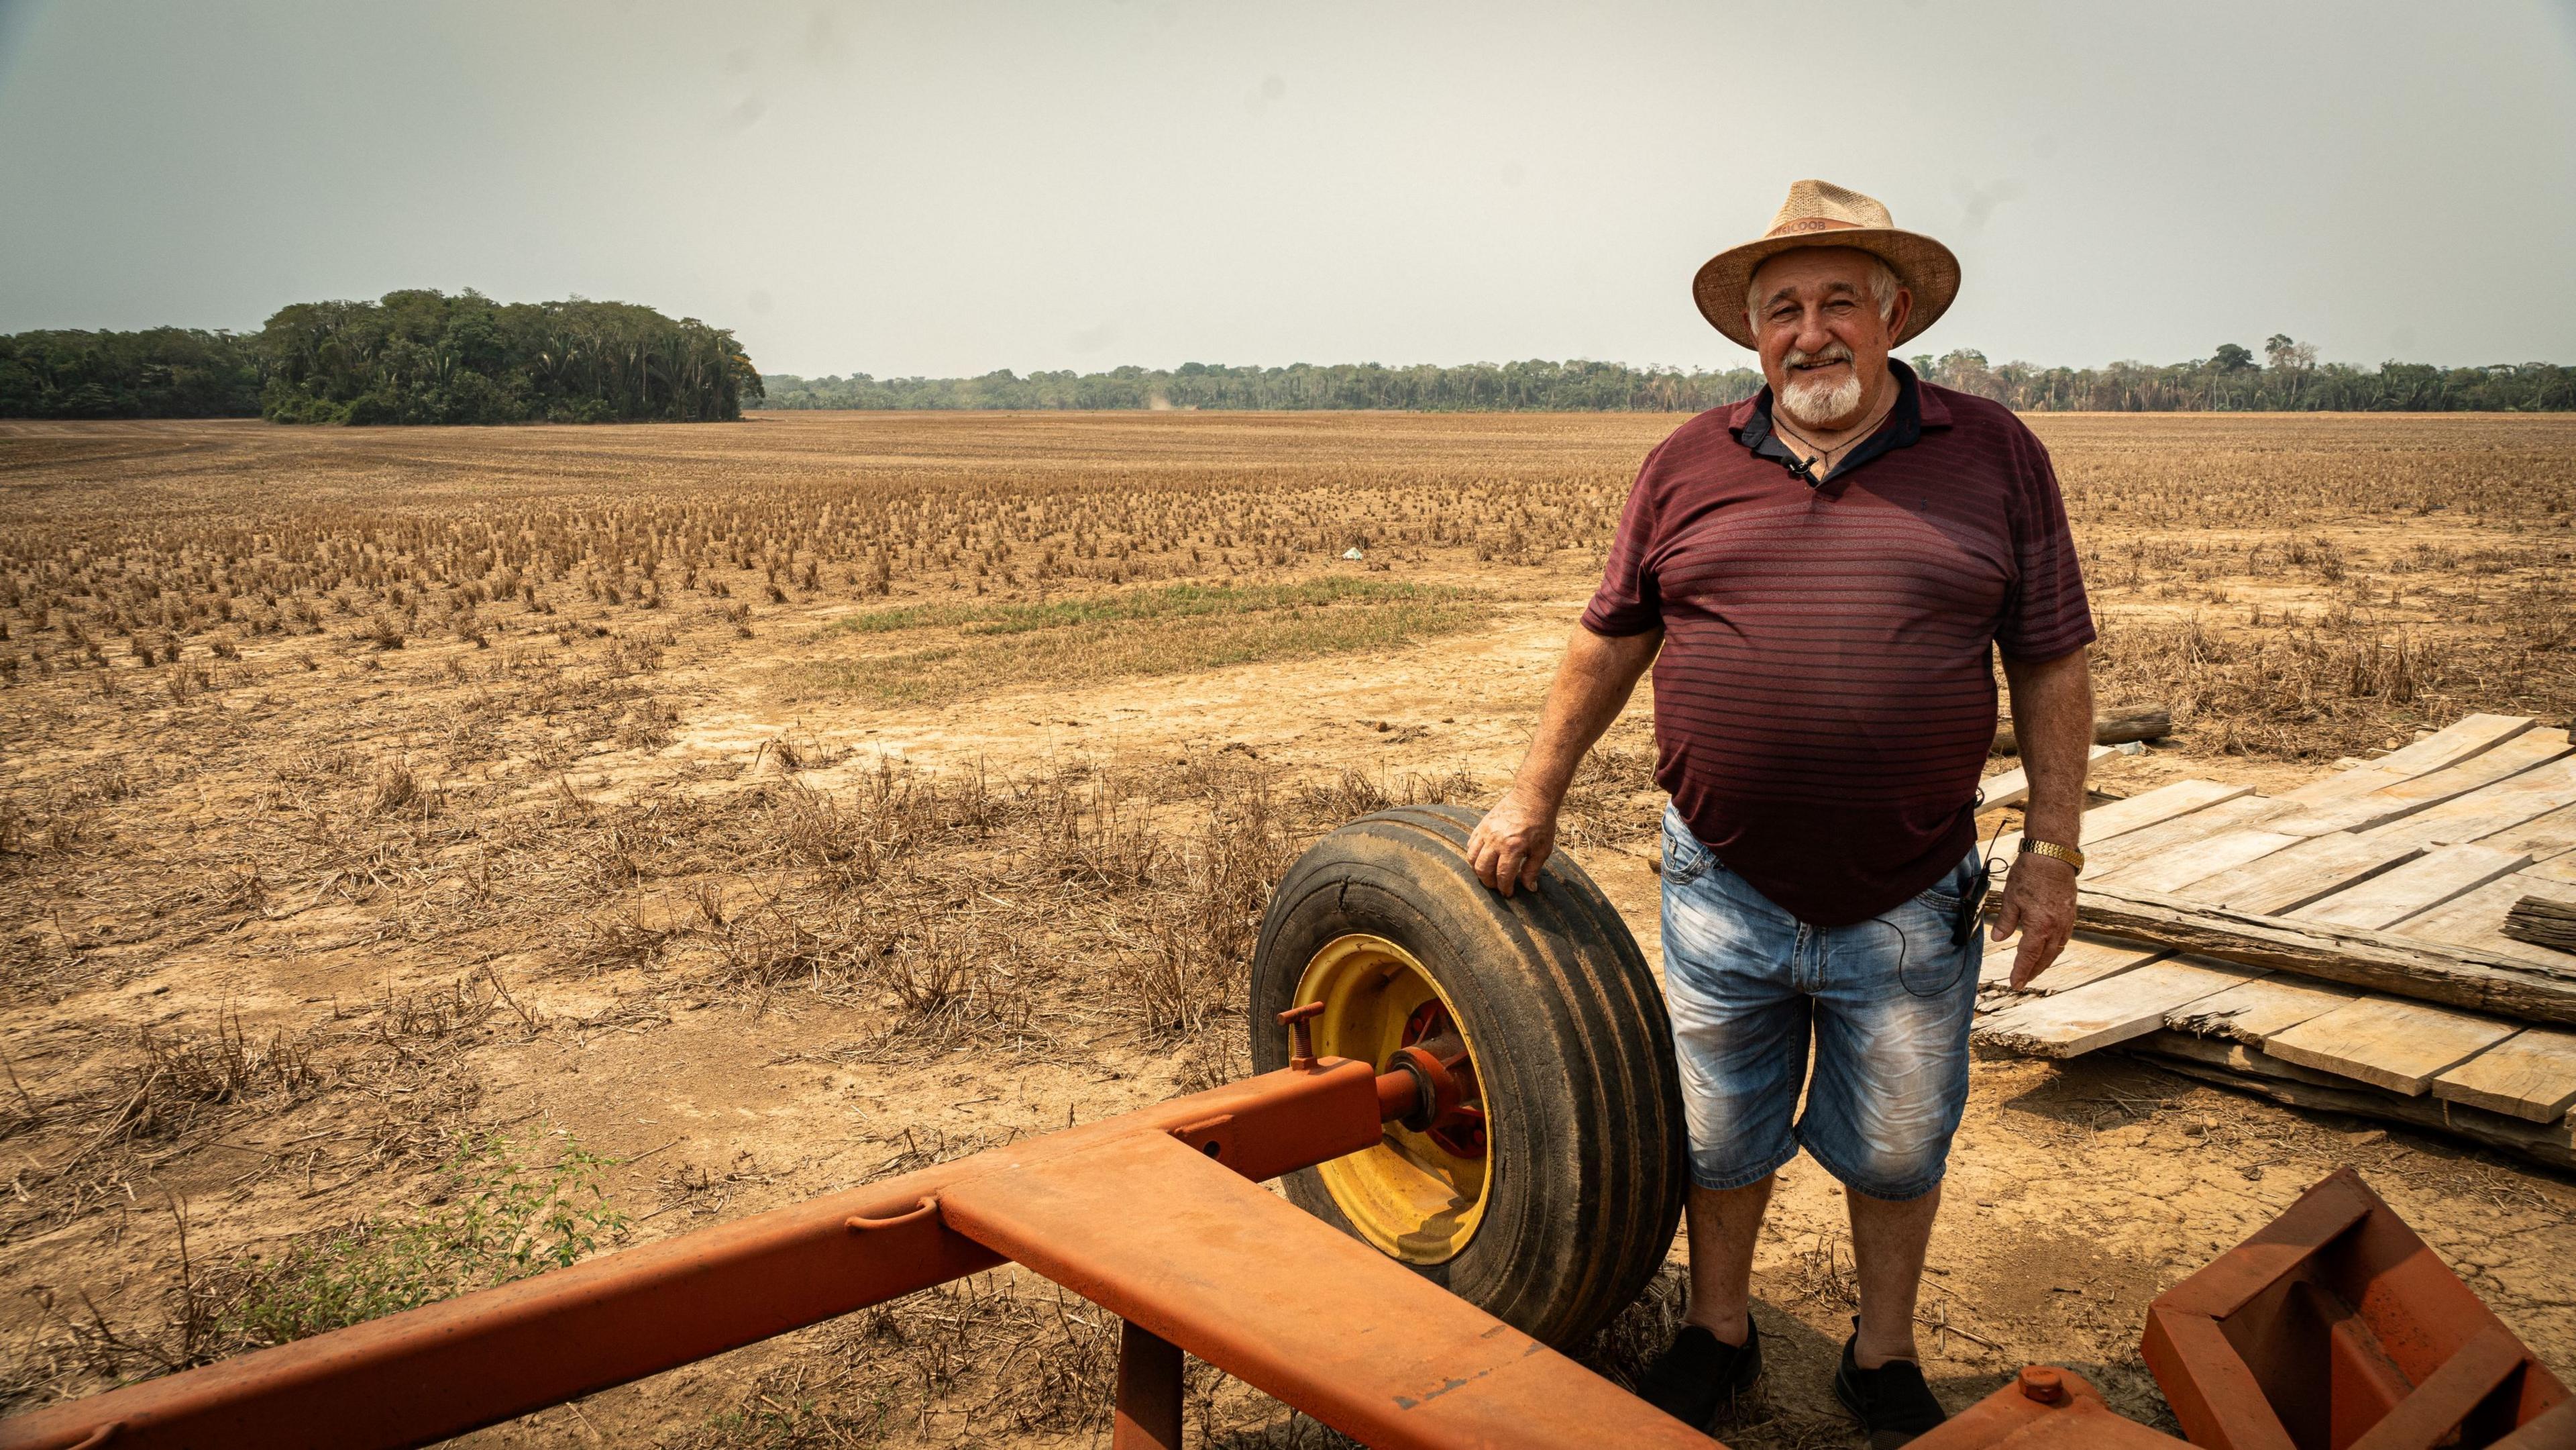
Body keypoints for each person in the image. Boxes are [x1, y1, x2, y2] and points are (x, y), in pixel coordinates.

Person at [1464, 179, 2096, 1447]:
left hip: (1913, 892)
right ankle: (1718, 1331)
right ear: (1754, 334)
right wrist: (1533, 791)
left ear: (1896, 313)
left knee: (1903, 1143)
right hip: (1721, 884)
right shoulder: (1688, 461)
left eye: (1839, 303)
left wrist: (2054, 853)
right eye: (1784, 310)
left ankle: (1882, 1355)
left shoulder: (1994, 454)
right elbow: (1610, 639)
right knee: (1716, 1128)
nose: (1812, 332)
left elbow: (2052, 660)